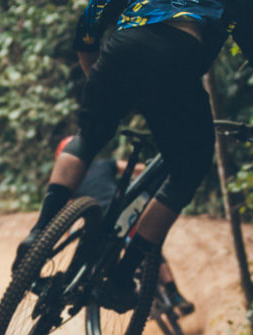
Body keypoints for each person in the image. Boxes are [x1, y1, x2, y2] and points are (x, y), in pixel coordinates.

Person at [19, 0, 253, 310]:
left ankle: (39, 233)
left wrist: (101, 81)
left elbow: (89, 26)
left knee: (88, 137)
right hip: (178, 68)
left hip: (123, 51)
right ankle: (122, 274)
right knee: (187, 170)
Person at [57, 134, 195, 316]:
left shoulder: (70, 180)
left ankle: (133, 296)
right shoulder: (103, 164)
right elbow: (136, 169)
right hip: (125, 211)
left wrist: (68, 234)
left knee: (107, 258)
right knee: (147, 245)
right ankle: (175, 295)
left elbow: (68, 212)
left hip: (99, 223)